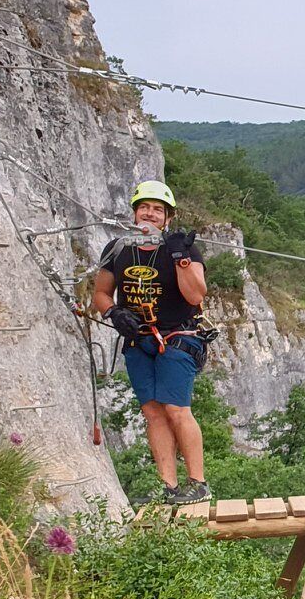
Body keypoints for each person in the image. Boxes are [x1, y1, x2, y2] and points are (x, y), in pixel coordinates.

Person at [91, 180, 213, 505]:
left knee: (176, 409)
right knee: (154, 413)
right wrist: (114, 312)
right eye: (145, 207)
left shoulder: (183, 248)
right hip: (138, 341)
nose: (150, 213)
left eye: (158, 209)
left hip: (177, 337)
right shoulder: (118, 249)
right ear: (134, 213)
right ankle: (168, 487)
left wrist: (180, 257)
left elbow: (196, 294)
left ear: (168, 217)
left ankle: (198, 484)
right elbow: (100, 294)